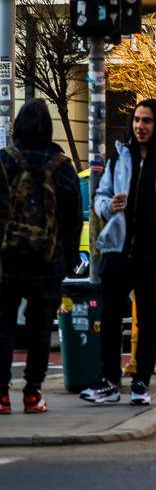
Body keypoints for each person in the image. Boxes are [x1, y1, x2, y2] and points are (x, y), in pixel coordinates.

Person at [81, 100, 156, 407]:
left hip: (152, 253)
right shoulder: (120, 157)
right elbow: (99, 197)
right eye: (136, 120)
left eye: (146, 121)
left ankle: (141, 382)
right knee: (108, 318)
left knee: (148, 321)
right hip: (118, 250)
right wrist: (109, 206)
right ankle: (109, 381)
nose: (140, 126)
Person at [0, 101, 83, 414]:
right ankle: (33, 394)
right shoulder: (61, 166)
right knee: (39, 330)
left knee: (4, 326)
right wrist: (69, 256)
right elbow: (74, 217)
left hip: (7, 260)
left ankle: (2, 395)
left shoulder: (5, 162)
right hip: (48, 261)